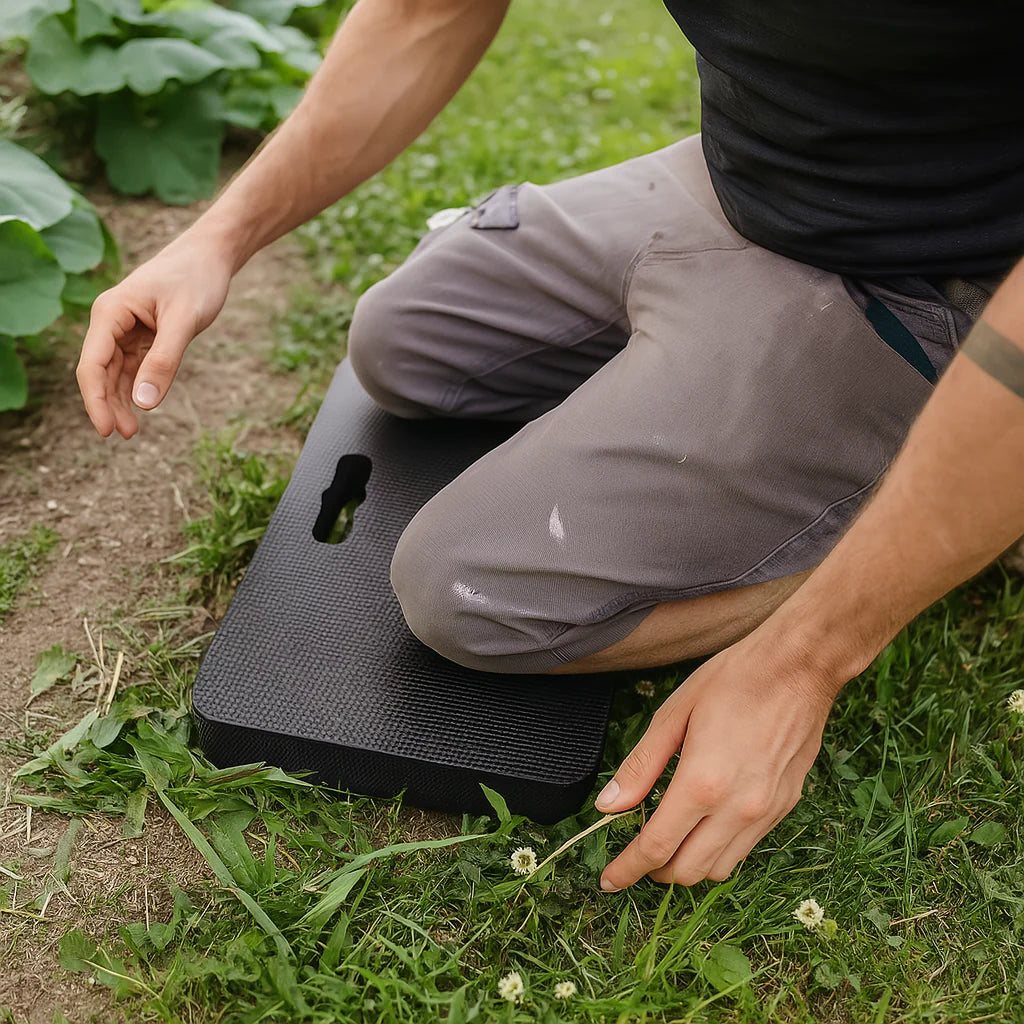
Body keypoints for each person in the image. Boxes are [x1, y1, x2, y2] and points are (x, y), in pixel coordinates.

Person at [76, 0, 1024, 892]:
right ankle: (722, 388)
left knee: (470, 595)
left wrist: (806, 658)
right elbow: (426, 13)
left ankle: (936, 489)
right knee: (402, 348)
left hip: (932, 277)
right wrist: (218, 240)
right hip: (751, 179)